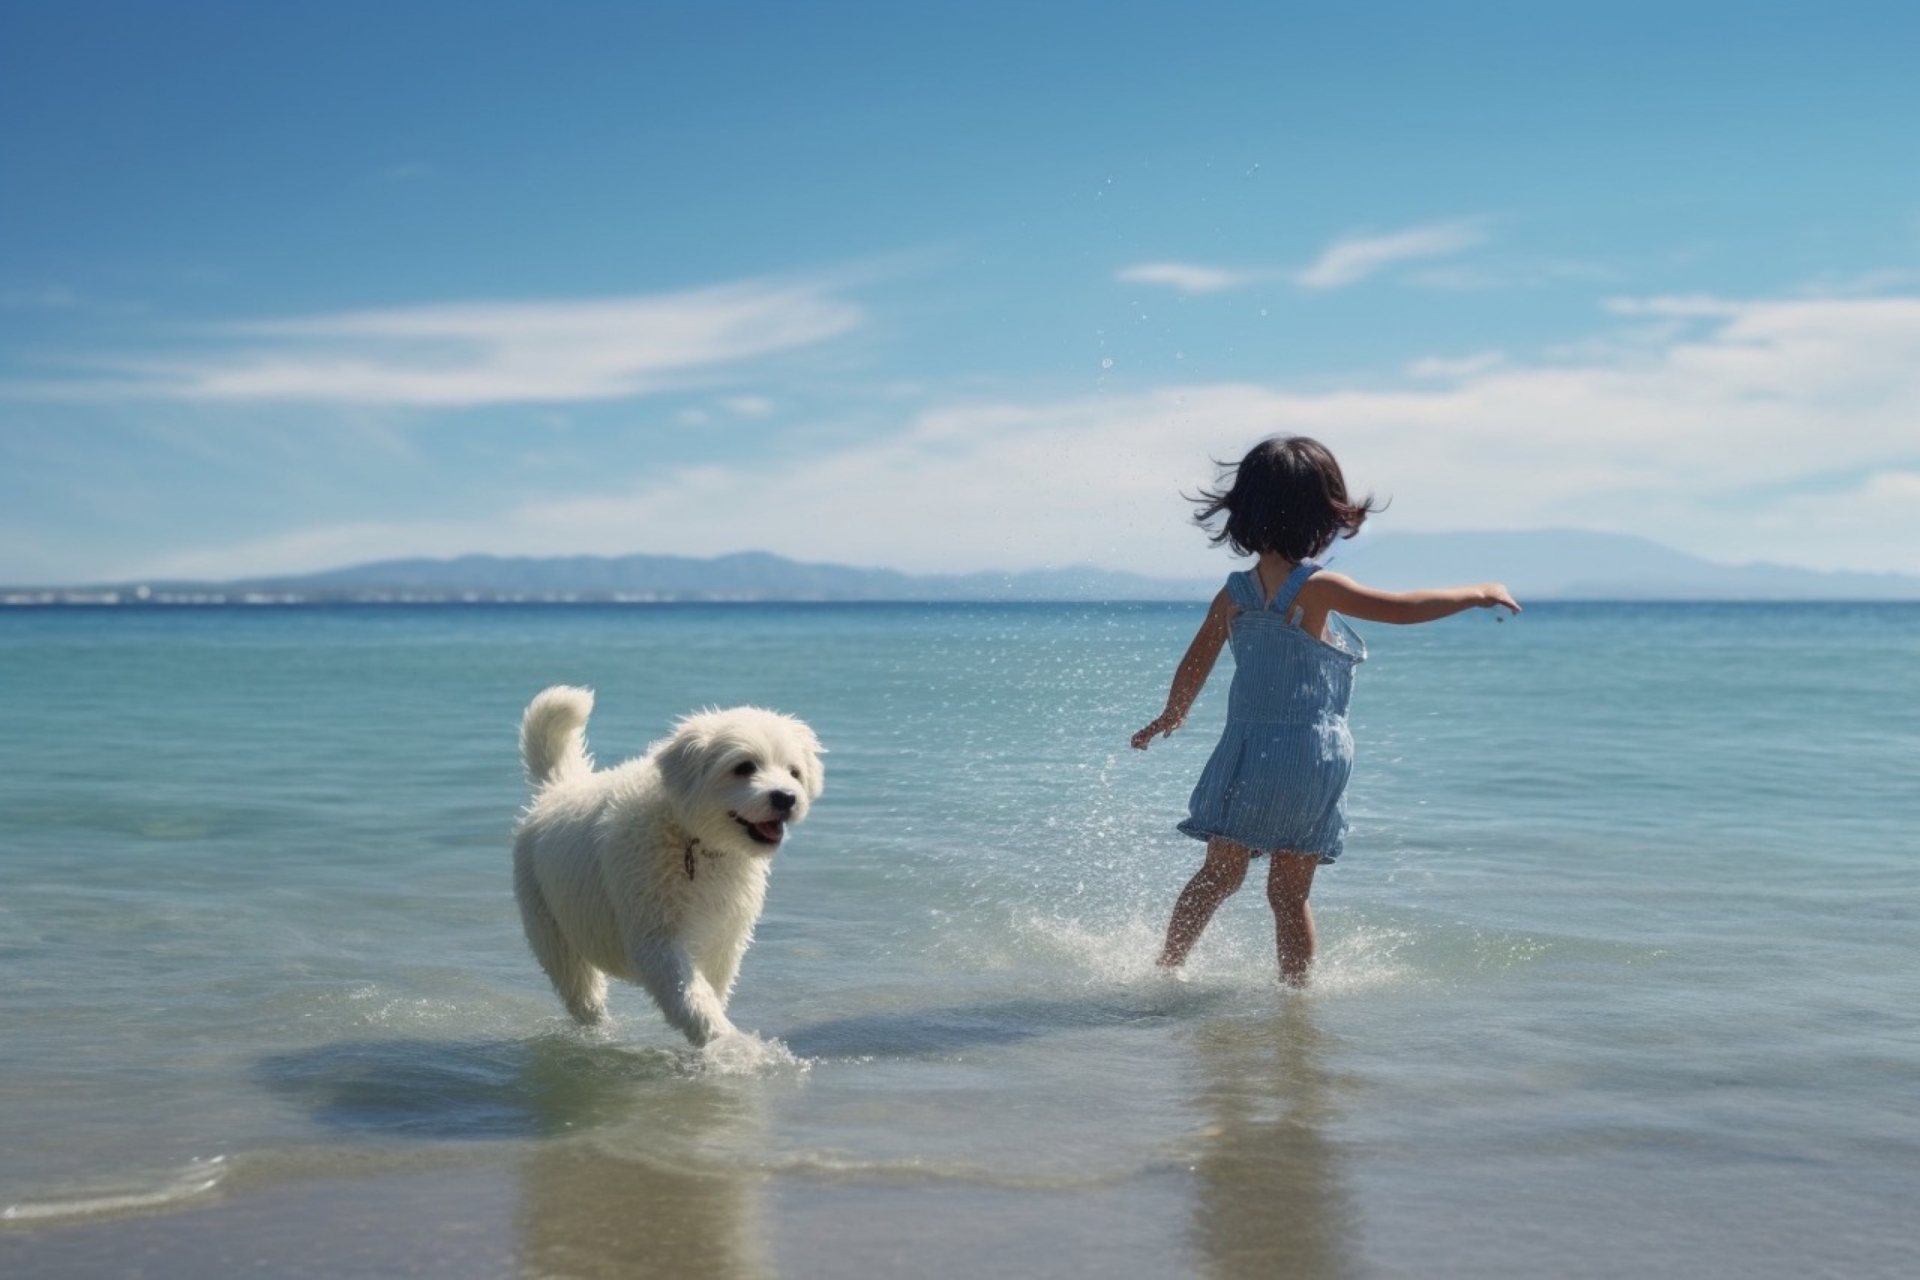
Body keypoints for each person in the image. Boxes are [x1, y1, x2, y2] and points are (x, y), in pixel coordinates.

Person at [1132, 436, 1519, 984]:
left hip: (1246, 751)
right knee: (1289, 895)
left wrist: (1172, 714)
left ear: (1244, 509)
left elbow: (1198, 658)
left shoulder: (1236, 592)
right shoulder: (1317, 588)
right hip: (1309, 757)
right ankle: (1298, 1002)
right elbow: (1404, 611)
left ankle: (1166, 967)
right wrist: (1478, 592)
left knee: (1217, 875)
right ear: (1325, 513)